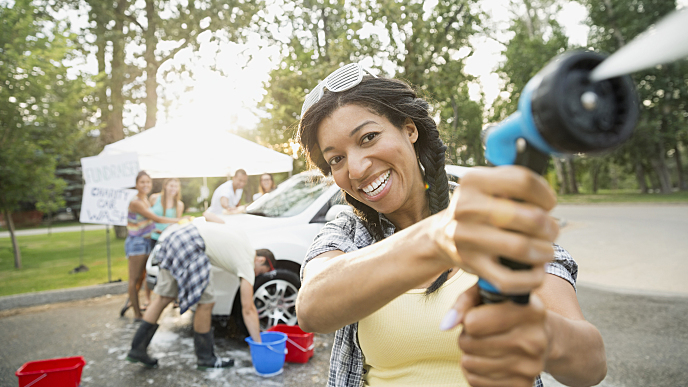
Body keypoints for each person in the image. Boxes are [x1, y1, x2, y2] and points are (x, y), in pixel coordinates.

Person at [295, 63, 606, 387]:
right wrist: (439, 237)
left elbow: (592, 365)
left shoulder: (492, 212)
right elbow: (312, 308)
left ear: (409, 129)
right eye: (336, 159)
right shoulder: (348, 231)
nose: (356, 169)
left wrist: (543, 334)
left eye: (369, 137)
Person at [126, 217, 276, 370]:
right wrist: (258, 344)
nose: (257, 275)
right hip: (191, 246)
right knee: (206, 302)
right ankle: (205, 358)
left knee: (164, 298)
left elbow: (210, 215)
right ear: (261, 259)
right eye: (261, 272)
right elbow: (248, 308)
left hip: (176, 238)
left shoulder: (241, 236)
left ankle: (137, 348)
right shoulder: (247, 263)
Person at [123, 171, 181, 321]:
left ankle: (134, 305)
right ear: (136, 184)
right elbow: (155, 218)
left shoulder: (146, 200)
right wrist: (179, 221)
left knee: (142, 278)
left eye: (148, 182)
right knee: (134, 280)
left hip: (147, 240)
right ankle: (137, 314)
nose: (145, 185)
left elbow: (147, 222)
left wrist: (152, 229)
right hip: (137, 243)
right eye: (142, 182)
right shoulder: (136, 201)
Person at [149, 178, 185, 248]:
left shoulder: (179, 205)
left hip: (167, 239)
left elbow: (176, 224)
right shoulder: (154, 198)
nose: (173, 188)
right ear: (165, 186)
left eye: (176, 186)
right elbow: (147, 216)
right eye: (171, 186)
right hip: (151, 237)